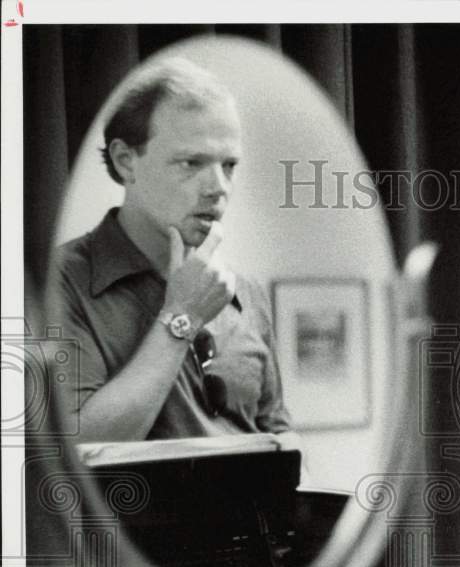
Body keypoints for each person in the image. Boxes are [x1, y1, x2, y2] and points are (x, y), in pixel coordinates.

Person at [55, 58, 290, 442]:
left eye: (229, 164)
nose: (219, 188)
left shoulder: (245, 292)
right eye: (192, 162)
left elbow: (277, 428)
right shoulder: (59, 281)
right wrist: (182, 316)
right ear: (125, 161)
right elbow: (78, 447)